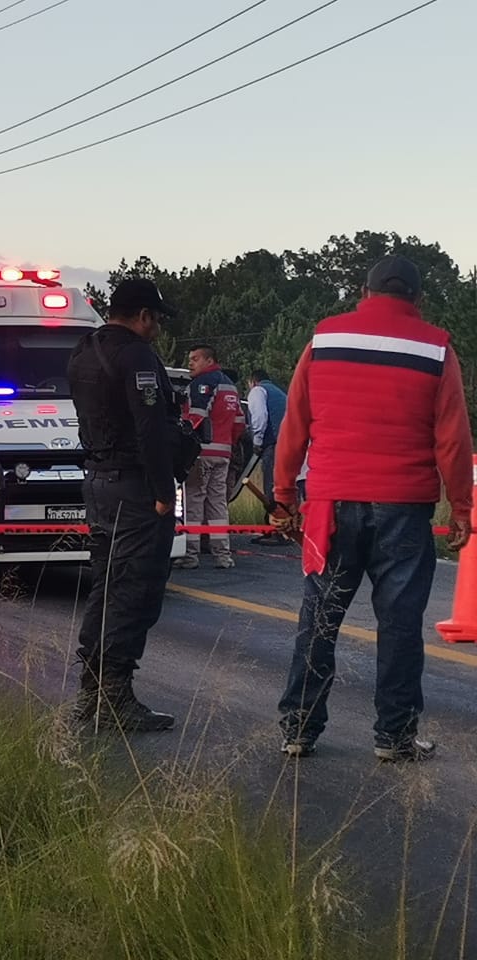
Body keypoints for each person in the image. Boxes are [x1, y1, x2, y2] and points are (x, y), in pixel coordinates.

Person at [273, 255, 473, 762]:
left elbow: (295, 422)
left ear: (364, 290)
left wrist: (283, 496)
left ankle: (298, 728)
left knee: (319, 618)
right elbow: (453, 439)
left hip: (331, 504)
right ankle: (395, 737)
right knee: (401, 625)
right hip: (404, 507)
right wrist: (462, 511)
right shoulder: (435, 348)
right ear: (418, 298)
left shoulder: (324, 339)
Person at [66, 278, 185, 732]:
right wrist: (162, 493)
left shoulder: (83, 351)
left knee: (107, 585)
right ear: (143, 316)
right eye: (155, 319)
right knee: (134, 589)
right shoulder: (136, 357)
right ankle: (114, 694)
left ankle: (91, 691)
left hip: (97, 481)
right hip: (134, 488)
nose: (156, 328)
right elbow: (149, 429)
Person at [176, 344, 246, 570]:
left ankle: (190, 555)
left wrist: (182, 446)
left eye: (195, 359)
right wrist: (228, 444)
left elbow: (194, 419)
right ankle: (223, 556)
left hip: (201, 454)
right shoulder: (230, 387)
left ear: (209, 360)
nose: (190, 363)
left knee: (194, 502)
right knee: (218, 504)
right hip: (223, 453)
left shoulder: (202, 384)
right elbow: (239, 422)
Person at [246, 369, 289, 544]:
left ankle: (275, 531)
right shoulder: (279, 393)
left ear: (253, 381)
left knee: (270, 486)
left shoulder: (258, 391)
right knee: (283, 487)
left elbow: (260, 417)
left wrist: (256, 441)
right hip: (287, 444)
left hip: (273, 444)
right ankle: (286, 530)